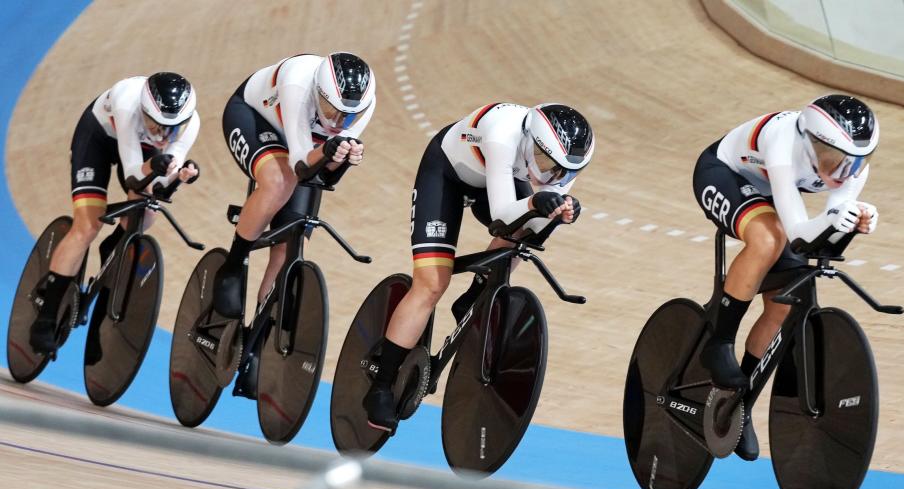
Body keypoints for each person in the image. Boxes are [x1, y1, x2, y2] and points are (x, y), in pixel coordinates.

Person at [362, 102, 595, 434]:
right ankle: (381, 386)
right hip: (447, 175)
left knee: (529, 229)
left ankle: (476, 294)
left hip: (499, 181)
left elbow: (535, 225)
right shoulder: (503, 135)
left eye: (563, 173)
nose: (551, 177)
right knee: (431, 284)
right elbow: (502, 215)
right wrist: (534, 202)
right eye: (546, 164)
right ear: (532, 141)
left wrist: (558, 214)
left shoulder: (561, 163)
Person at [692, 94, 880, 460]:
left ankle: (737, 404)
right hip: (722, 172)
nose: (845, 172)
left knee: (783, 305)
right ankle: (718, 342)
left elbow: (826, 227)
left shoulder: (852, 167)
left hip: (766, 195)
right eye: (835, 161)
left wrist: (855, 220)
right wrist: (831, 220)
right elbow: (797, 230)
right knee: (767, 238)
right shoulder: (784, 142)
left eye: (856, 163)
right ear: (812, 143)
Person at [29, 72, 200, 353]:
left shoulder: (191, 123)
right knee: (87, 225)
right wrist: (155, 166)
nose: (162, 134)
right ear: (144, 111)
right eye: (156, 125)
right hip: (99, 137)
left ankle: (113, 250)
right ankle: (46, 316)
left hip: (143, 151)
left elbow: (162, 178)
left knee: (145, 215)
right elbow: (134, 174)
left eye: (171, 130)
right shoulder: (126, 104)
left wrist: (178, 175)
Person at [214, 52, 375, 318]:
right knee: (279, 182)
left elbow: (324, 177)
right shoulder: (297, 85)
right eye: (331, 110)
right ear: (318, 93)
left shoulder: (364, 105)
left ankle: (260, 332)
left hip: (302, 142)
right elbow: (300, 165)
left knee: (288, 245)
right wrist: (328, 152)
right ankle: (231, 266)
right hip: (254, 116)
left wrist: (344, 157)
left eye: (347, 117)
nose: (337, 123)